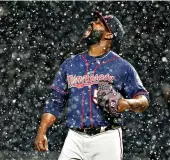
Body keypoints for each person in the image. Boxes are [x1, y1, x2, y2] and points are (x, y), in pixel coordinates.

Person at [34, 11, 149, 160]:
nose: (93, 24)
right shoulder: (70, 64)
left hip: (106, 137)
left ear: (108, 35)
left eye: (100, 24)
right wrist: (42, 131)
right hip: (74, 136)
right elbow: (55, 100)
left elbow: (144, 99)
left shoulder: (121, 66)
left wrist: (127, 103)